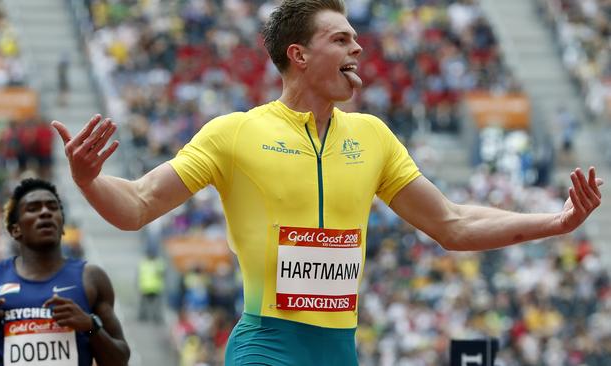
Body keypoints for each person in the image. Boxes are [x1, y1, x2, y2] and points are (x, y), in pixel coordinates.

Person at [51, 1, 603, 364]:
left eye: (355, 40)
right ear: (299, 54)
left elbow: (453, 224)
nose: (358, 50)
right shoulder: (234, 134)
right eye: (341, 40)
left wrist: (555, 222)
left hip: (341, 349)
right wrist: (89, 180)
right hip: (267, 346)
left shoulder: (374, 137)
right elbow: (139, 204)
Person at [0, 178, 130, 366]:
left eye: (52, 207)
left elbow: (120, 361)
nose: (45, 212)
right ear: (16, 229)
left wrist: (91, 327)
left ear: (62, 225)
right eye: (33, 208)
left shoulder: (91, 278)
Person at [136, 249, 165, 323]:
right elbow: (139, 275)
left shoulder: (158, 263)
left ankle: (156, 318)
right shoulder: (144, 263)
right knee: (144, 305)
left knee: (156, 306)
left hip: (155, 288)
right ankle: (143, 317)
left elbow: (162, 274)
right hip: (145, 287)